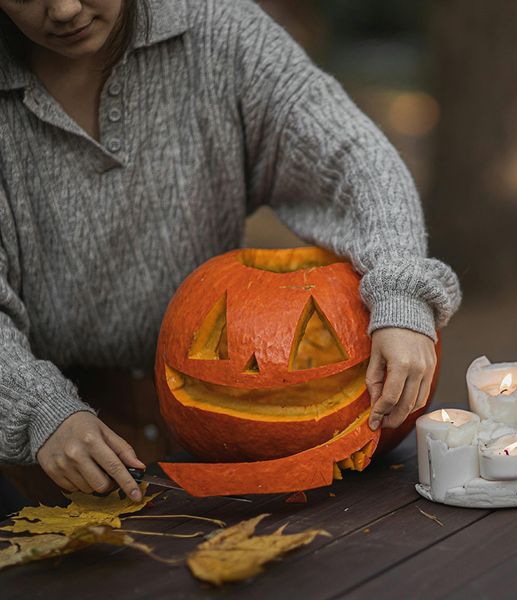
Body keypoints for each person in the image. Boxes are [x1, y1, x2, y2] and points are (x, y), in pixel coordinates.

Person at [0, 0, 460, 503]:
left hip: (216, 436)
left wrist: (400, 288)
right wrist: (36, 408)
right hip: (50, 449)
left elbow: (350, 154)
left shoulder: (217, 28)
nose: (64, 9)